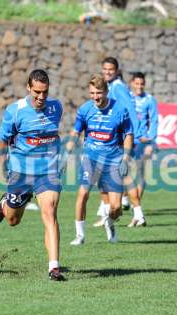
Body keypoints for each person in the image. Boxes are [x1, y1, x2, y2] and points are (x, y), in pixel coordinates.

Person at [0, 69, 66, 281]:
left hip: (48, 171)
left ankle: (54, 267)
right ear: (28, 88)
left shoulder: (56, 107)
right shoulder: (15, 111)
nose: (41, 97)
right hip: (21, 172)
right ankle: (5, 203)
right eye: (37, 93)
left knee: (49, 213)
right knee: (13, 221)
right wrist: (1, 161)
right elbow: (3, 138)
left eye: (45, 92)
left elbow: (52, 135)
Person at [64, 74, 133, 245]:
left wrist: (125, 158)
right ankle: (80, 235)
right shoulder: (85, 109)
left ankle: (109, 222)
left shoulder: (120, 110)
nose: (95, 97)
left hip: (113, 161)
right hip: (91, 158)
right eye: (92, 93)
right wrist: (65, 153)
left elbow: (128, 134)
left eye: (99, 93)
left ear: (106, 91)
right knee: (83, 193)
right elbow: (76, 132)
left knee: (116, 207)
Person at [93, 57, 140, 227]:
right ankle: (115, 211)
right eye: (104, 69)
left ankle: (133, 212)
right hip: (115, 139)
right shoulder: (111, 86)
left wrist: (133, 135)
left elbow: (130, 112)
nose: (107, 72)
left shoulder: (118, 87)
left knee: (119, 176)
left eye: (110, 69)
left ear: (117, 70)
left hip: (120, 141)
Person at [124, 72, 159, 227]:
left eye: (142, 84)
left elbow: (154, 120)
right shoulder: (126, 98)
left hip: (142, 141)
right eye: (136, 83)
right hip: (126, 140)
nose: (139, 86)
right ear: (131, 83)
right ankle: (129, 200)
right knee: (122, 171)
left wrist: (151, 141)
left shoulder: (149, 100)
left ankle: (135, 207)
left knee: (139, 173)